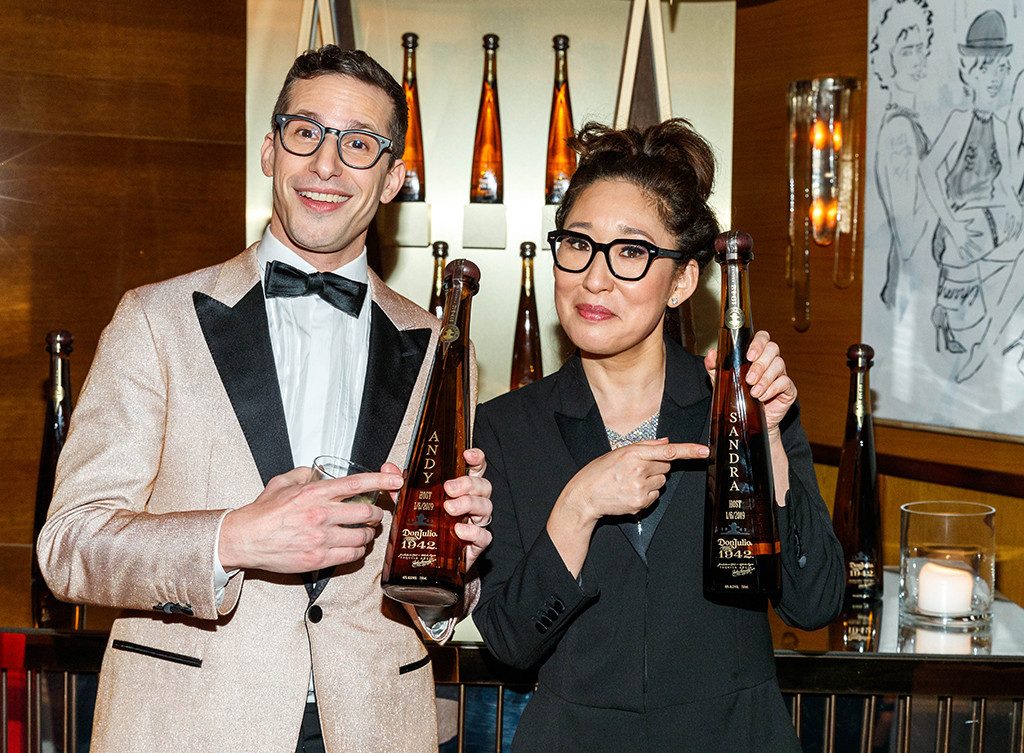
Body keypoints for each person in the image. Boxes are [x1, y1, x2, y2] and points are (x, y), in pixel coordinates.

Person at [37, 45, 493, 753]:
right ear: (269, 149)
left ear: (394, 178)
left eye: (360, 144)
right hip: (190, 728)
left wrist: (453, 568)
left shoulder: (442, 344)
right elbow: (68, 545)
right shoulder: (155, 319)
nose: (326, 164)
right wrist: (234, 537)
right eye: (306, 132)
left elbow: (436, 590)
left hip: (377, 727)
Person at [471, 119, 844, 752]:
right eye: (578, 244)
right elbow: (510, 642)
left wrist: (769, 442)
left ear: (682, 281)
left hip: (735, 737)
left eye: (632, 252)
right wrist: (578, 505)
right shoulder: (504, 426)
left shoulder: (742, 402)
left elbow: (815, 603)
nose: (595, 277)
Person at [918, 9, 1022, 364]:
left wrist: (1013, 210)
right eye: (987, 67)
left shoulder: (1005, 126)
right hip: (958, 226)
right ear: (971, 72)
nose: (995, 77)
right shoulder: (960, 121)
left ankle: (971, 324)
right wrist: (950, 224)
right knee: (968, 253)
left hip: (986, 223)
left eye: (1000, 68)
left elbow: (1005, 183)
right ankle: (952, 318)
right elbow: (927, 169)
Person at [870, 0, 935, 314]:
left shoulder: (908, 124)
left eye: (921, 48)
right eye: (907, 50)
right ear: (888, 60)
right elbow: (907, 233)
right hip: (909, 294)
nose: (918, 60)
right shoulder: (899, 131)